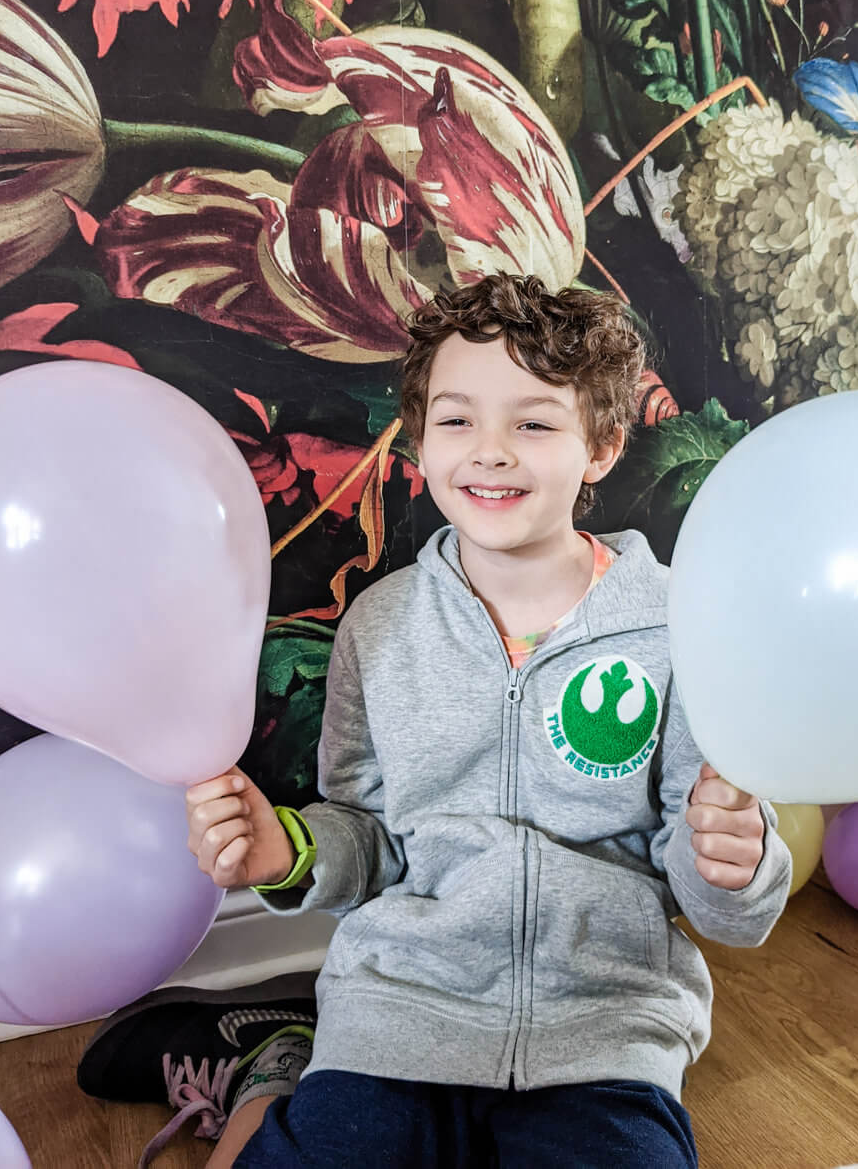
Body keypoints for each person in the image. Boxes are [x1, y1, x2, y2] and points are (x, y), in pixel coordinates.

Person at [78, 274, 792, 1166]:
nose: (489, 452)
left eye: (533, 423)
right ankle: (277, 1069)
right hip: (398, 1015)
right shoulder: (378, 626)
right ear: (418, 440)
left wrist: (738, 860)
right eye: (457, 420)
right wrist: (289, 850)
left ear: (602, 446)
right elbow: (368, 836)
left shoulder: (680, 626)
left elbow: (718, 903)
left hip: (602, 1035)